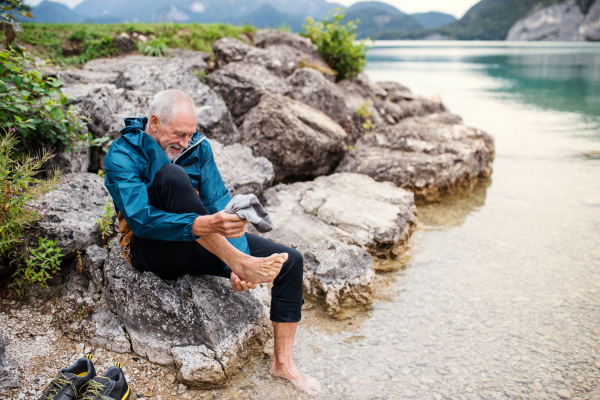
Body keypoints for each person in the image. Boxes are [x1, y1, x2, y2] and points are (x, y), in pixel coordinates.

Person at [103, 89, 320, 395]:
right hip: (150, 249)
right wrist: (207, 226)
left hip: (199, 242)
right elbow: (140, 218)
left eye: (190, 135)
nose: (185, 143)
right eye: (179, 134)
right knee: (172, 176)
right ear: (153, 122)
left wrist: (237, 262)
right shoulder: (123, 153)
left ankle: (283, 364)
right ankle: (236, 260)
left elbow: (219, 201)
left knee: (290, 262)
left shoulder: (198, 148)